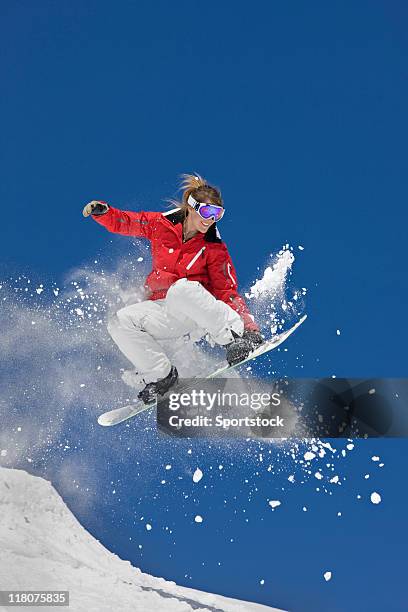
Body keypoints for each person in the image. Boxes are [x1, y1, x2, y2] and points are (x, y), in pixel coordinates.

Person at [83, 174, 263, 403]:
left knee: (181, 289)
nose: (211, 219)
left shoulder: (214, 248)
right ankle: (161, 376)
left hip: (199, 310)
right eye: (208, 212)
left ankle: (233, 336)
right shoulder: (161, 225)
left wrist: (249, 329)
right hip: (169, 311)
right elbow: (129, 222)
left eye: (218, 214)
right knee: (120, 321)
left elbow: (227, 291)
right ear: (191, 207)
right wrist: (105, 213)